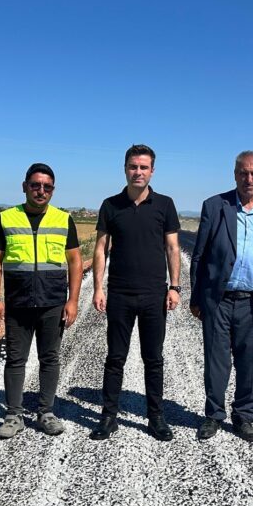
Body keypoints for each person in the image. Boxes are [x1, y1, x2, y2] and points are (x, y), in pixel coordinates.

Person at [189, 150, 253, 442]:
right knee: (216, 361)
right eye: (243, 173)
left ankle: (244, 417)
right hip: (219, 299)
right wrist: (197, 298)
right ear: (234, 174)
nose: (249, 179)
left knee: (252, 363)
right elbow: (200, 255)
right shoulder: (215, 205)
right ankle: (214, 416)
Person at [90, 144, 182, 441]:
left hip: (154, 295)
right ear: (125, 168)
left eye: (143, 167)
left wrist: (175, 287)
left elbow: (172, 247)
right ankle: (108, 417)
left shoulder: (165, 204)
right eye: (133, 166)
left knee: (153, 358)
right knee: (115, 357)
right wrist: (98, 288)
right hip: (119, 294)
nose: (138, 172)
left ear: (152, 171)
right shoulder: (110, 205)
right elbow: (101, 249)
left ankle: (156, 417)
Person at [0, 163, 83, 439]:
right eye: (35, 185)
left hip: (53, 301)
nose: (41, 191)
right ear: (25, 186)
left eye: (47, 187)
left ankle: (46, 412)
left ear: (53, 190)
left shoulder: (63, 219)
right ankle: (13, 416)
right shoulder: (6, 218)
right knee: (16, 359)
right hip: (18, 302)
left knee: (49, 358)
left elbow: (75, 260)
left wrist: (73, 299)